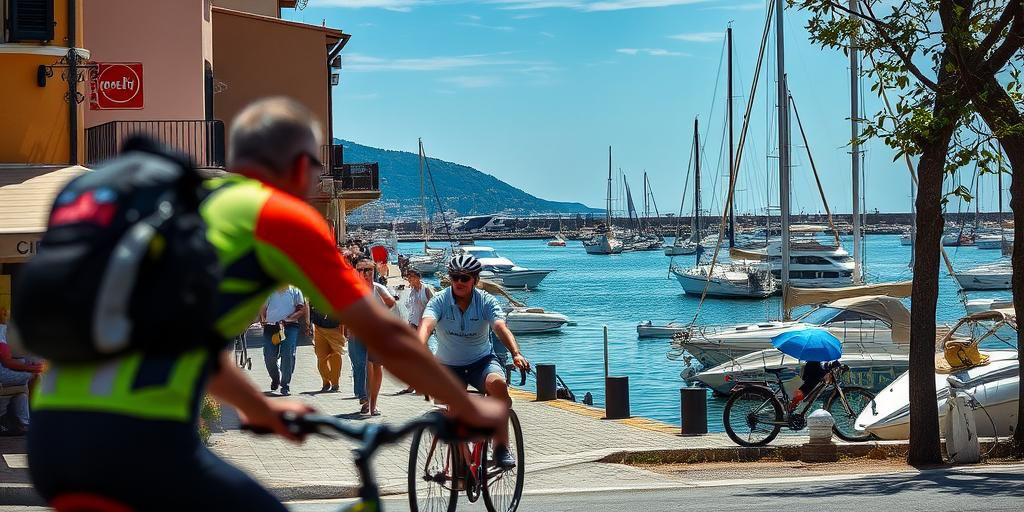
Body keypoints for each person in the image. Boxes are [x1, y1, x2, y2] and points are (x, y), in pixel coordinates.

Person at [27, 97, 507, 511]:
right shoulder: (278, 217)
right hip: (139, 440)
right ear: (301, 167)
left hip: (53, 439)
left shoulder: (189, 211)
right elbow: (384, 333)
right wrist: (467, 407)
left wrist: (261, 409)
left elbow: (188, 344)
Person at [418, 254, 530, 469]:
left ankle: (500, 447)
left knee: (498, 385)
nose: (459, 282)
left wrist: (515, 353)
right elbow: (426, 326)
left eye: (465, 278)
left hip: (481, 361)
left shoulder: (486, 301)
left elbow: (500, 328)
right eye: (454, 277)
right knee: (447, 402)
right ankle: (461, 454)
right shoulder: (440, 300)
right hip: (448, 365)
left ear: (475, 280)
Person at [351, 258, 396, 416]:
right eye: (361, 270)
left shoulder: (378, 288)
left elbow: (391, 303)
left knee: (376, 367)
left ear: (374, 271)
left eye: (368, 270)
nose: (365, 273)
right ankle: (364, 399)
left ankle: (372, 404)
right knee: (361, 366)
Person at [259, 285, 306, 395]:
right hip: (271, 327)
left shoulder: (295, 291)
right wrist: (263, 318)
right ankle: (275, 378)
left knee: (288, 354)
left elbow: (301, 309)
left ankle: (285, 385)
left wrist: (289, 318)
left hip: (290, 326)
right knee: (269, 356)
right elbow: (263, 307)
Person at [0, 307, 40, 435]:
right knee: (31, 376)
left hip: (7, 374)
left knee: (21, 391)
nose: (6, 313)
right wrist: (34, 368)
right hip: (3, 375)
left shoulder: (9, 330)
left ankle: (23, 423)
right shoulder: (2, 330)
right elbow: (8, 361)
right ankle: (29, 419)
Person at [398, 269, 433, 396]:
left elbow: (434, 307)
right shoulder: (411, 291)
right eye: (408, 278)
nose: (410, 280)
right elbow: (411, 310)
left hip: (423, 327)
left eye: (412, 277)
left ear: (419, 277)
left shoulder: (426, 290)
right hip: (413, 325)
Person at [310, 302, 345, 393]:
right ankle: (326, 381)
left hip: (336, 329)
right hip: (319, 329)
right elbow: (309, 311)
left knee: (335, 357)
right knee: (321, 357)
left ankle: (335, 383)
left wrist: (343, 333)